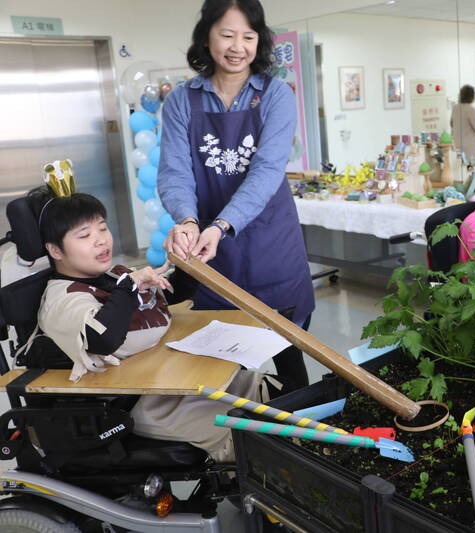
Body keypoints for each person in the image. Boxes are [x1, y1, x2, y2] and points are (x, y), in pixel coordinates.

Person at [28, 187, 264, 462]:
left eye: (103, 229)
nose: (101, 241)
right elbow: (101, 338)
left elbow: (162, 301)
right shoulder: (63, 298)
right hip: (140, 403)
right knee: (250, 435)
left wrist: (188, 268)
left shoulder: (114, 274)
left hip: (172, 379)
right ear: (55, 249)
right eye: (85, 235)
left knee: (269, 391)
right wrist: (129, 287)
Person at [158, 0, 313, 392]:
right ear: (207, 36)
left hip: (270, 241)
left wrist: (222, 225)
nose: (237, 46)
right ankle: (234, 445)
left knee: (287, 357)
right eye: (227, 34)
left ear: (259, 41)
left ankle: (296, 441)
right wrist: (188, 221)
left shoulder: (276, 94)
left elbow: (266, 171)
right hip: (211, 251)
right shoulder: (182, 100)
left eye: (247, 36)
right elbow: (175, 172)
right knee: (219, 363)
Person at [451, 84, 475, 161]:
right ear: (472, 96)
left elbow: (451, 124)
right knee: (471, 169)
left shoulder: (455, 108)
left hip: (457, 144)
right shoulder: (471, 109)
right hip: (469, 147)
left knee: (461, 169)